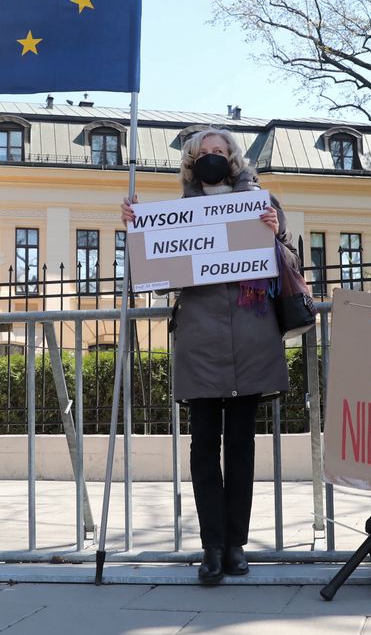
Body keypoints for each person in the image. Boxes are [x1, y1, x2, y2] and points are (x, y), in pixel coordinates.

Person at [122, 128, 293, 585]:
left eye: (220, 152)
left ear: (233, 158)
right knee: (203, 447)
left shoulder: (261, 203)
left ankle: (237, 545)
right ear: (191, 161)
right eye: (204, 153)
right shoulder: (176, 212)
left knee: (240, 446)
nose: (213, 158)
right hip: (200, 341)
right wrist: (136, 231)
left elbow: (288, 264)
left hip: (250, 338)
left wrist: (276, 234)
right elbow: (153, 275)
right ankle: (212, 546)